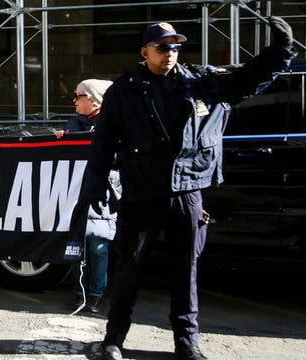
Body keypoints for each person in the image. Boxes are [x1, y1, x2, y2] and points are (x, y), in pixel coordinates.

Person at [82, 18, 297, 360]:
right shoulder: (124, 91)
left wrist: (280, 50)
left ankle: (187, 342)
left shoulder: (202, 82)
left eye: (175, 46)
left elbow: (249, 80)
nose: (170, 53)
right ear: (145, 51)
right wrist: (94, 186)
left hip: (187, 191)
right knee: (129, 266)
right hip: (142, 191)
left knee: (186, 270)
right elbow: (103, 142)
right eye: (162, 47)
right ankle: (114, 338)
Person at [56, 79, 117, 315]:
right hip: (76, 194)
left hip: (102, 194)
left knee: (98, 246)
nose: (74, 100)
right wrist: (60, 141)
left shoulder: (113, 122)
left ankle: (95, 294)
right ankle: (78, 293)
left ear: (93, 99)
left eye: (78, 95)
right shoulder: (73, 122)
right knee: (76, 246)